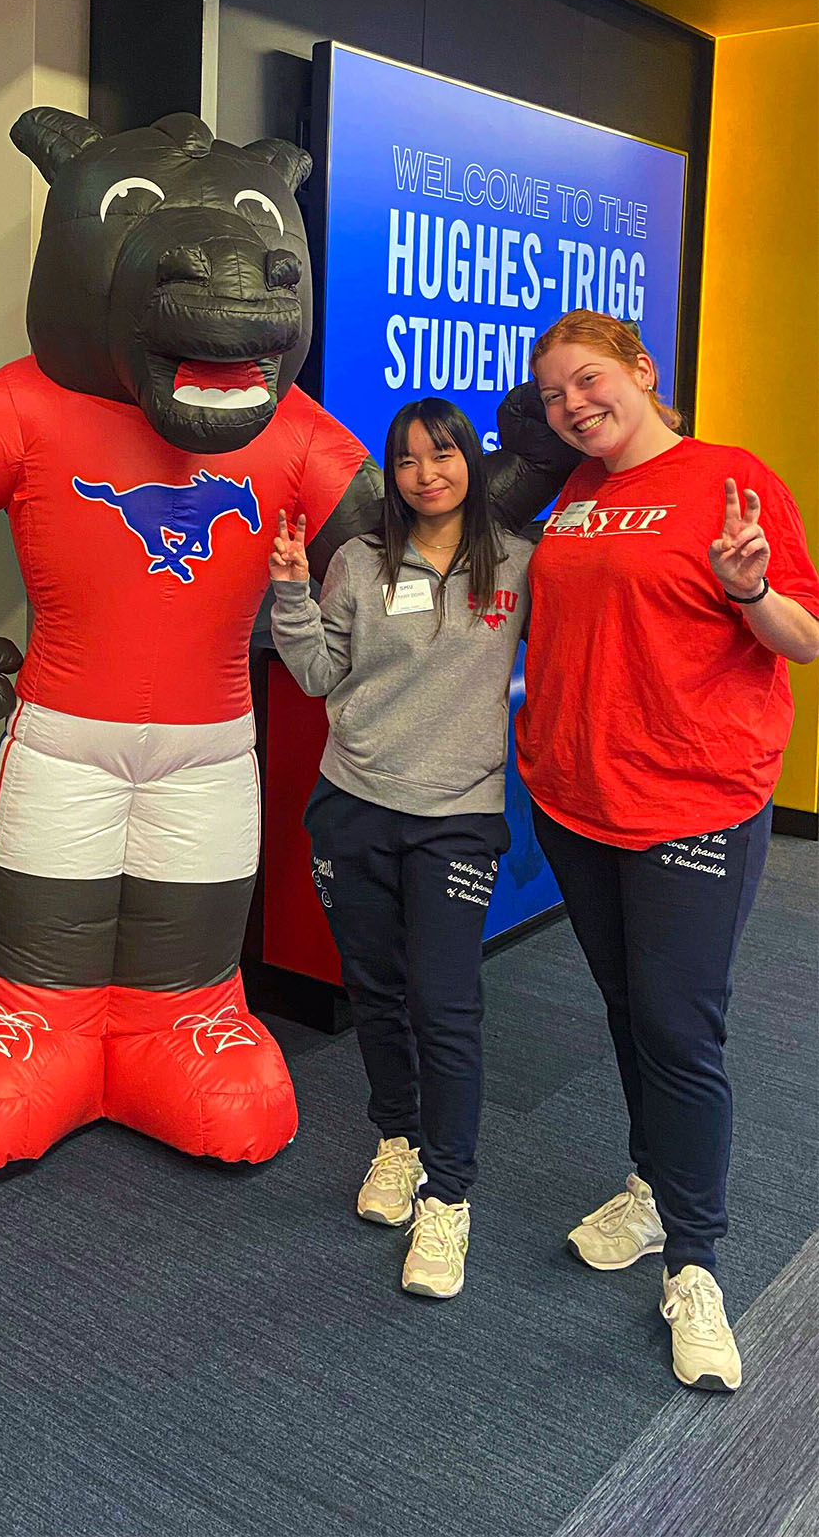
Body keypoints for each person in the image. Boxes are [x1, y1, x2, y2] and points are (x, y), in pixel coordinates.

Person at [522, 310, 819, 1392]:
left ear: (644, 373)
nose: (573, 406)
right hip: (575, 797)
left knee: (680, 1030)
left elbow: (806, 634)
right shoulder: (576, 492)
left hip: (694, 802)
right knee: (625, 1007)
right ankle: (653, 1188)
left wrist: (748, 587)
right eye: (555, 395)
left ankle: (695, 1260)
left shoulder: (728, 478)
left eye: (590, 381)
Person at [269, 397, 533, 1300]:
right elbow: (313, 674)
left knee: (446, 1005)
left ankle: (449, 1199)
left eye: (445, 454)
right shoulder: (357, 560)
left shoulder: (521, 565)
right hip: (354, 807)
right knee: (378, 990)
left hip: (458, 813)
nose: (429, 474)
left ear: (472, 462)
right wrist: (292, 593)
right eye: (411, 460)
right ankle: (397, 1141)